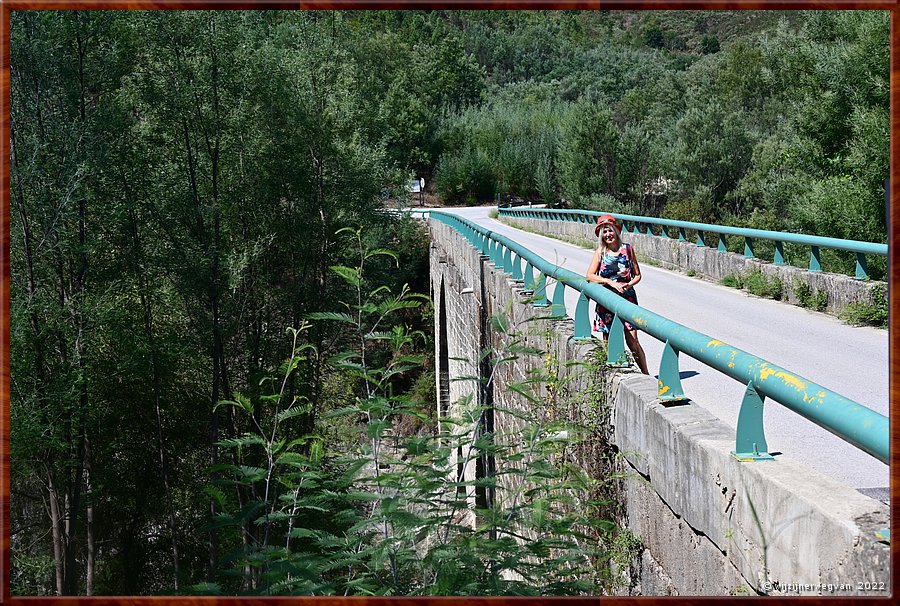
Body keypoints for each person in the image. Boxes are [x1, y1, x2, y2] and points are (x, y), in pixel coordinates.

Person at [585, 214, 650, 375]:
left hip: (627, 298)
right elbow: (590, 275)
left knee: (633, 341)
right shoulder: (600, 252)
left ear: (616, 231)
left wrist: (629, 284)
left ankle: (646, 375)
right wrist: (609, 282)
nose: (608, 234)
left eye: (610, 230)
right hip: (606, 300)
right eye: (604, 232)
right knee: (608, 342)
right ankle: (612, 375)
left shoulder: (627, 249)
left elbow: (637, 275)